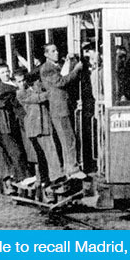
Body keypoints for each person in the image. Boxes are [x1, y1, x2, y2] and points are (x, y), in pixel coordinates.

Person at [40, 43, 86, 180]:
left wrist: (68, 61)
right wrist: (76, 70)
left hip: (64, 106)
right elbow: (61, 81)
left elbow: (63, 73)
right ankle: (72, 169)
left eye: (57, 50)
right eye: (53, 51)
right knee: (68, 139)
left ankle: (70, 167)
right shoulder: (47, 68)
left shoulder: (55, 66)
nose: (56, 52)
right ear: (46, 54)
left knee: (69, 138)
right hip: (59, 108)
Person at [13, 69, 64, 187]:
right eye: (19, 81)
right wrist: (52, 92)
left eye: (24, 80)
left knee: (51, 150)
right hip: (34, 128)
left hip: (44, 124)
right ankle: (49, 177)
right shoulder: (21, 93)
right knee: (42, 154)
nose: (22, 83)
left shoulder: (34, 88)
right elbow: (37, 98)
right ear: (15, 83)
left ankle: (54, 176)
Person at [0, 74, 29, 187]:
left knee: (17, 151)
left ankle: (19, 176)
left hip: (8, 126)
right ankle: (20, 178)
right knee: (15, 152)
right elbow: (0, 104)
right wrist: (7, 95)